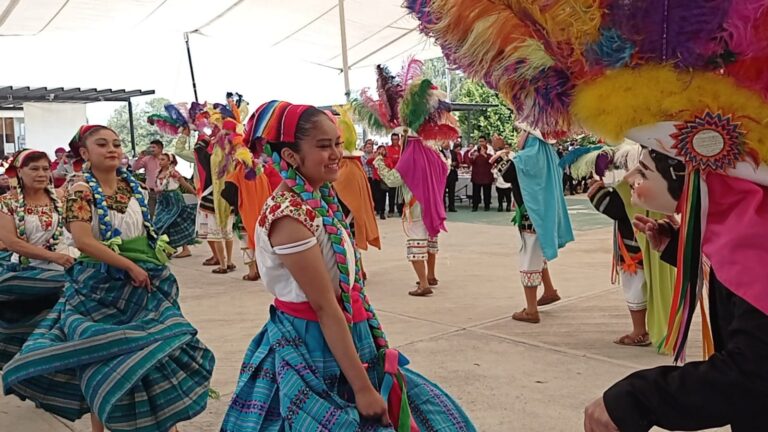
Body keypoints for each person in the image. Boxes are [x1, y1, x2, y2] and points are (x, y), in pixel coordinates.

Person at [220, 100, 475, 431]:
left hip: (345, 335)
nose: (337, 153)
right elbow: (325, 307)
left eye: (337, 143)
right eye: (324, 146)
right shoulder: (288, 216)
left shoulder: (317, 200)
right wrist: (362, 389)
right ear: (291, 157)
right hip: (311, 342)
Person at [2, 125, 215, 432]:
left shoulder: (133, 188)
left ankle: (166, 424)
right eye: (102, 144)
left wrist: (151, 260)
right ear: (85, 153)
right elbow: (84, 240)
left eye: (116, 143)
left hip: (144, 284)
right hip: (98, 286)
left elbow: (142, 233)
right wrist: (129, 265)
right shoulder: (80, 191)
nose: (113, 149)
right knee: (103, 360)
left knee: (156, 354)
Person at [0, 149, 74, 371]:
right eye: (34, 169)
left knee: (64, 325)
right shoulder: (7, 202)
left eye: (45, 168)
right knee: (27, 327)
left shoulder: (61, 197)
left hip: (65, 265)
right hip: (27, 270)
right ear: (19, 172)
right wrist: (54, 257)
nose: (41, 173)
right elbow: (12, 242)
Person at [501, 130, 573, 323]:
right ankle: (549, 290)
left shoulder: (525, 158)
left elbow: (506, 176)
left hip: (531, 215)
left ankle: (531, 310)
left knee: (529, 259)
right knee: (537, 254)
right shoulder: (550, 156)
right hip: (546, 213)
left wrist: (504, 157)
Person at [153, 152, 196, 259]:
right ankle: (170, 248)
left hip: (174, 199)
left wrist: (195, 193)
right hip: (163, 200)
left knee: (175, 222)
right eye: (160, 159)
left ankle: (185, 249)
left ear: (169, 161)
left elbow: (184, 184)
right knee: (164, 223)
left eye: (163, 159)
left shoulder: (173, 173)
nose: (160, 162)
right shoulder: (158, 172)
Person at [132, 138, 163, 217]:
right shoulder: (146, 159)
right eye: (150, 147)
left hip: (164, 192)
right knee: (150, 214)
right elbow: (135, 168)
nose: (151, 149)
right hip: (151, 192)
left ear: (160, 149)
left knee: (164, 214)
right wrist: (140, 157)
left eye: (153, 147)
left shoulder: (166, 159)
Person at [468, 140, 494, 212]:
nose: (481, 150)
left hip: (487, 177)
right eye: (480, 149)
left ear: (486, 149)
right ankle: (475, 206)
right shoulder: (476, 155)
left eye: (483, 149)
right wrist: (474, 156)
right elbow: (471, 161)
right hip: (477, 177)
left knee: (487, 193)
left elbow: (491, 161)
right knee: (476, 193)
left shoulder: (489, 155)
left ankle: (487, 206)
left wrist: (484, 155)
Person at [490, 139, 513, 212]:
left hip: (509, 179)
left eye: (507, 148)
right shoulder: (499, 156)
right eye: (505, 148)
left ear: (510, 148)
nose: (506, 149)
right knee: (500, 195)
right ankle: (500, 206)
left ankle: (508, 206)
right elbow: (493, 163)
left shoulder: (513, 156)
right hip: (500, 178)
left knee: (508, 195)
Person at [367, 144, 389, 220]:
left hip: (383, 179)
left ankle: (382, 211)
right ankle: (377, 209)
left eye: (383, 150)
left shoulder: (387, 159)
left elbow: (390, 166)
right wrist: (375, 155)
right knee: (377, 196)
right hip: (376, 179)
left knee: (383, 196)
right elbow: (368, 162)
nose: (382, 151)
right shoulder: (375, 158)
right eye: (380, 149)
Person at [385, 132, 403, 216]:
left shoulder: (402, 148)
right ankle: (391, 210)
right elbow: (388, 159)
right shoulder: (388, 148)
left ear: (399, 140)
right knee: (391, 193)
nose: (394, 141)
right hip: (392, 173)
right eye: (392, 139)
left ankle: (401, 210)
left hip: (401, 173)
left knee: (401, 193)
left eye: (396, 139)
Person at [442, 141, 460, 212]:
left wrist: (455, 164)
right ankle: (443, 206)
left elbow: (457, 162)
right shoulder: (439, 153)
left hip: (452, 174)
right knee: (442, 192)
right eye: (445, 144)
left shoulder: (453, 152)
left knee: (452, 192)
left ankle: (451, 206)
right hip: (443, 175)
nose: (447, 145)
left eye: (448, 144)